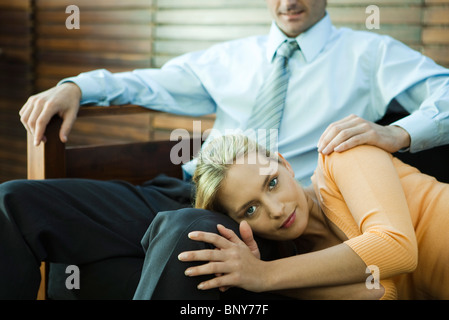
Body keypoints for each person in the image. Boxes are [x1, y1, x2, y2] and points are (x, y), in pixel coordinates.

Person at [1, 0, 448, 299]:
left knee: (187, 232)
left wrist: (399, 134)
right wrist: (79, 85)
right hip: (188, 187)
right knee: (15, 202)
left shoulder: (369, 54)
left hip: (254, 218)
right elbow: (149, 82)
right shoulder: (232, 57)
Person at [179, 133, 449, 299]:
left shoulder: (342, 155)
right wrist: (256, 279)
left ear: (285, 164)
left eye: (272, 183)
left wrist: (263, 275)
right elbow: (379, 293)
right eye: (251, 209)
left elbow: (396, 247)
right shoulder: (298, 262)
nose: (277, 210)